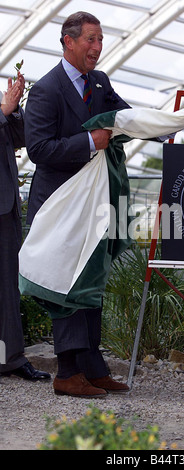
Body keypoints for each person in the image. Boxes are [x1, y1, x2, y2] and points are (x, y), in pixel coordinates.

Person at [24, 11, 131, 398]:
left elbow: (124, 116)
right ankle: (67, 373)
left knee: (89, 281)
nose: (97, 48)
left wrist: (158, 127)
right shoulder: (46, 90)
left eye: (100, 40)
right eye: (90, 40)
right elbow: (38, 149)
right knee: (64, 286)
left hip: (92, 203)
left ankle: (91, 366)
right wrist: (90, 142)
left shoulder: (99, 82)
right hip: (58, 206)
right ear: (68, 41)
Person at [0, 72, 50, 381]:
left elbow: (20, 139)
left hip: (5, 205)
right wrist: (3, 111)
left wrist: (15, 109)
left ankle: (10, 359)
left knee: (7, 287)